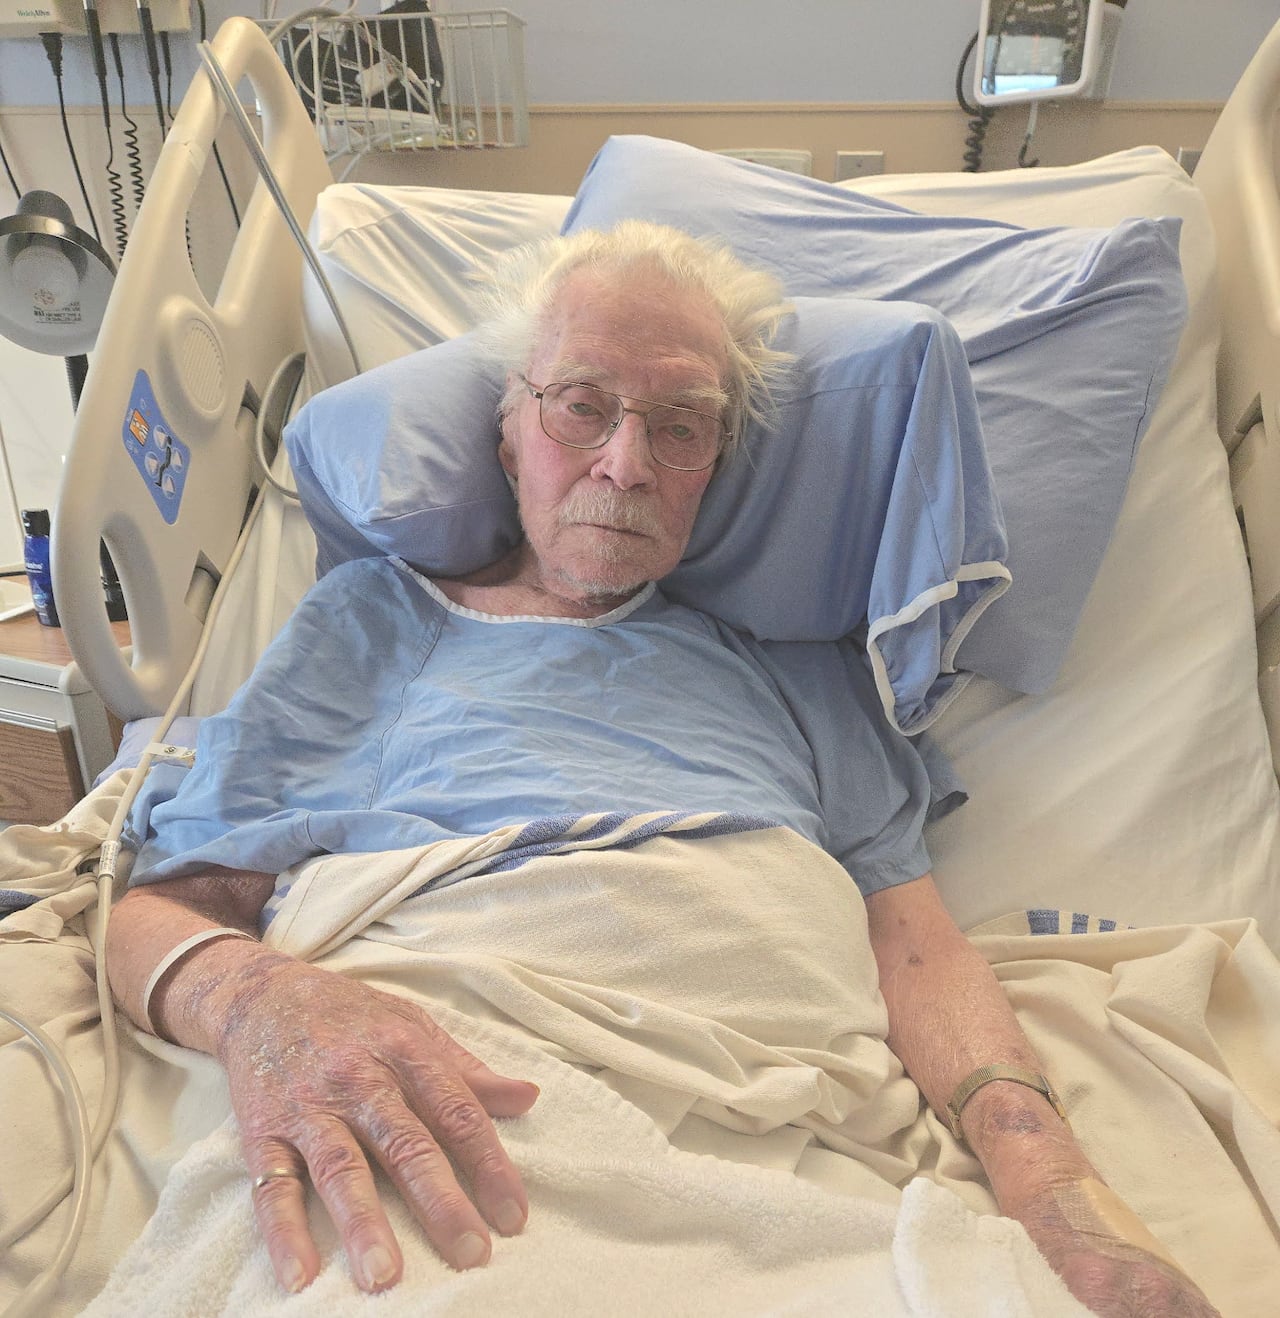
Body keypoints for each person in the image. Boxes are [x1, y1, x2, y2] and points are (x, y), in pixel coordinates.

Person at [106, 221, 1217, 1317]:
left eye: (681, 427)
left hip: (777, 1135)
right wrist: (261, 1003)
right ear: (509, 433)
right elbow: (161, 911)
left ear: (714, 465)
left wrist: (1052, 1185)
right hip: (468, 1090)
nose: (626, 465)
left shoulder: (804, 667)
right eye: (581, 405)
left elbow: (914, 941)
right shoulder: (378, 620)